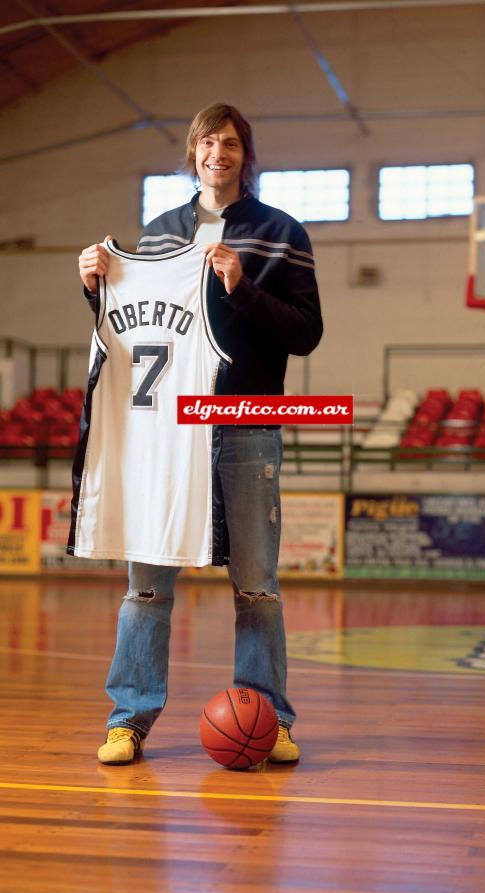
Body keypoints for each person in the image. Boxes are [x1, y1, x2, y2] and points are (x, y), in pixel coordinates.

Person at [77, 102, 323, 765]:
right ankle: (128, 719)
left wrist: (242, 287)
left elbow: (307, 333)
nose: (220, 151)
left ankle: (267, 719)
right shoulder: (157, 234)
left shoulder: (281, 232)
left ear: (248, 155)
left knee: (256, 587)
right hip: (165, 436)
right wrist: (96, 289)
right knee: (146, 587)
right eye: (208, 141)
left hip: (246, 426)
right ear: (192, 153)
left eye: (233, 142)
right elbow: (132, 330)